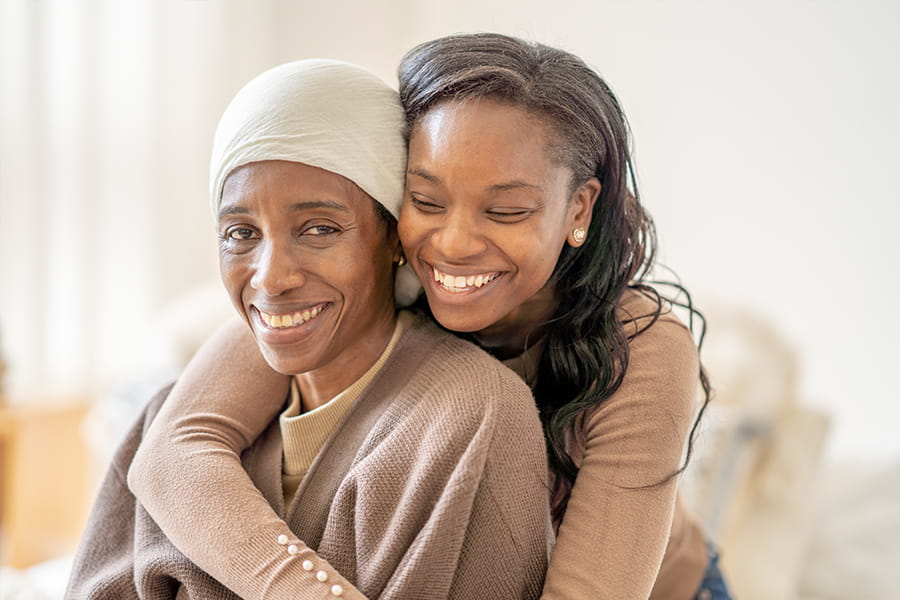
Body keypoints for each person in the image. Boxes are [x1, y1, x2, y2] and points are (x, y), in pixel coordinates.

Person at [128, 33, 732, 600]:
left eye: (507, 210)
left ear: (579, 206)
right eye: (427, 201)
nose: (454, 243)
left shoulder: (641, 349)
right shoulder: (360, 280)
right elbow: (175, 453)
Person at [65, 58, 551, 600]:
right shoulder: (171, 417)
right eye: (240, 233)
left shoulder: (472, 417)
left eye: (319, 229)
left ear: (395, 238)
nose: (271, 276)